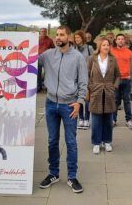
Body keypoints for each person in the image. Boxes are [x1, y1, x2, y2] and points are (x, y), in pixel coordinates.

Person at [38, 25, 87, 194]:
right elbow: (28, 59)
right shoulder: (48, 55)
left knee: (71, 142)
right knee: (52, 140)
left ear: (69, 37)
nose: (58, 37)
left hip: (69, 106)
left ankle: (72, 177)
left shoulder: (78, 57)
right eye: (56, 35)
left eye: (61, 35)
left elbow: (83, 83)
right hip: (51, 103)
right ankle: (53, 173)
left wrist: (79, 102)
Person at [87, 38, 120, 154]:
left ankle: (107, 141)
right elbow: (86, 74)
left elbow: (118, 76)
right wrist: (91, 87)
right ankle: (96, 142)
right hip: (96, 92)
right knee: (96, 119)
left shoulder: (113, 59)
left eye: (108, 45)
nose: (106, 47)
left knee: (108, 119)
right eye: (104, 45)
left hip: (109, 92)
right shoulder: (92, 59)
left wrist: (114, 86)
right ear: (99, 47)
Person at [111, 34, 132, 129]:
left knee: (127, 101)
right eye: (119, 39)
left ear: (124, 41)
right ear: (116, 41)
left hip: (126, 79)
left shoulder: (129, 52)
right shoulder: (111, 52)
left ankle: (129, 120)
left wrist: (131, 76)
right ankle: (113, 120)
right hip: (116, 80)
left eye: (122, 39)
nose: (120, 40)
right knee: (115, 101)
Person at [73, 31, 93, 130]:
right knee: (79, 98)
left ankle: (87, 119)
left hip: (87, 76)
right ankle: (80, 118)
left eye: (79, 38)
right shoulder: (72, 49)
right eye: (75, 38)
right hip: (76, 77)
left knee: (87, 99)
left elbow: (94, 62)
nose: (77, 39)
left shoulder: (89, 48)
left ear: (83, 38)